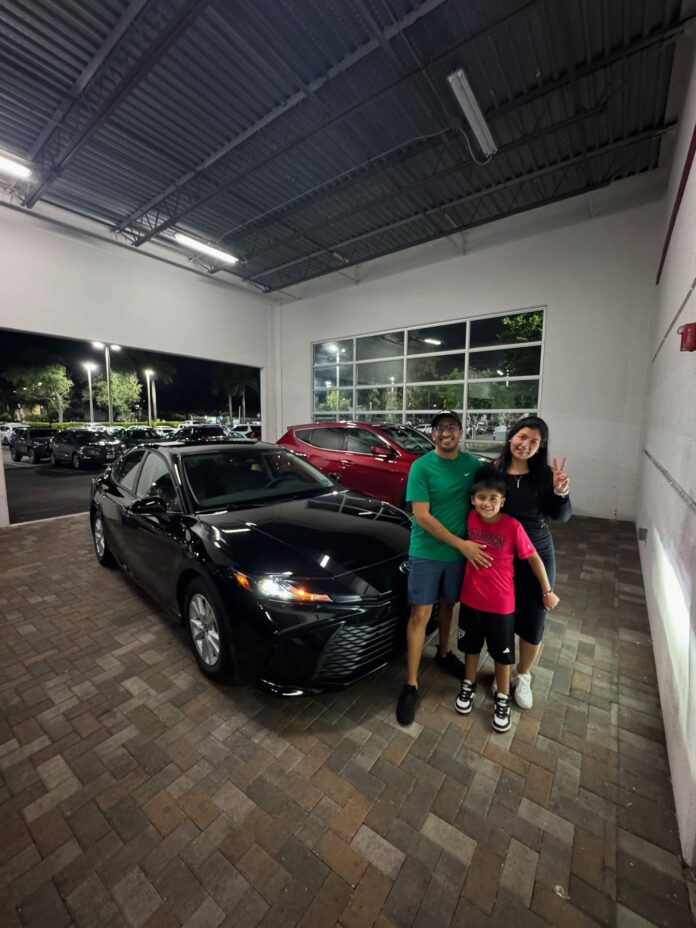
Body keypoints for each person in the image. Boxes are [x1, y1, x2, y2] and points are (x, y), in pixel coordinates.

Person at [396, 410, 492, 726]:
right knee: (420, 614)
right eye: (439, 428)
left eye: (451, 427)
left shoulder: (473, 466)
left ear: (461, 432)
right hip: (426, 552)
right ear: (433, 434)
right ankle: (411, 684)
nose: (445, 432)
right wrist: (461, 544)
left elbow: (494, 494)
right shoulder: (421, 467)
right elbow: (421, 516)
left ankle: (442, 653)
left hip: (457, 555)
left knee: (449, 605)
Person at [455, 466, 559, 732]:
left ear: (503, 501)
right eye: (481, 498)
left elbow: (535, 558)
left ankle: (502, 698)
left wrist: (547, 591)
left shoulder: (512, 526)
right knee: (470, 647)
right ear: (472, 499)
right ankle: (468, 685)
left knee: (503, 654)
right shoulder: (469, 519)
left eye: (493, 499)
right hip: (470, 599)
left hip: (501, 604)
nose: (486, 503)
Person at [494, 415, 571, 708]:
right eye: (522, 437)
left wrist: (561, 492)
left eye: (534, 442)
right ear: (511, 436)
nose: (525, 445)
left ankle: (523, 674)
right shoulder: (492, 471)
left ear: (540, 448)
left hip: (537, 550)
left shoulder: (544, 477)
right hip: (502, 554)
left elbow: (561, 515)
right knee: (503, 616)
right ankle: (502, 667)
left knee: (534, 617)